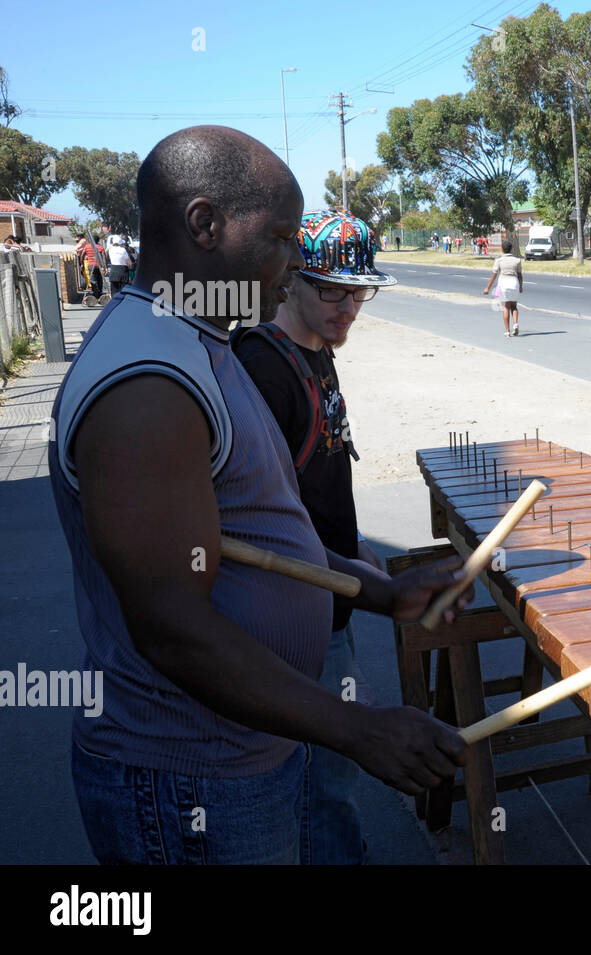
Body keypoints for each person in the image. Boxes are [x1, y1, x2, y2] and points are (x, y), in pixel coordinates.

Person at [48, 126, 470, 865]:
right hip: (187, 785)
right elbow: (172, 627)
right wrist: (358, 729)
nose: (294, 263)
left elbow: (255, 541)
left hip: (233, 760)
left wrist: (381, 590)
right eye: (279, 237)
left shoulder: (197, 337)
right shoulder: (147, 381)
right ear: (204, 223)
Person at [232, 208, 395, 864]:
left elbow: (320, 476)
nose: (349, 306)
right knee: (324, 778)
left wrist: (356, 551)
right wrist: (361, 581)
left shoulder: (318, 349)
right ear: (290, 278)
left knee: (330, 776)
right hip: (295, 613)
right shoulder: (262, 367)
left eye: (359, 291)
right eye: (332, 289)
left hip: (334, 595)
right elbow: (254, 519)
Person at [483, 238, 524, 337]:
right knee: (514, 306)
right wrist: (521, 286)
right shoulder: (517, 260)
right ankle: (515, 324)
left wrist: (487, 288)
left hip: (504, 283)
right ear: (511, 249)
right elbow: (520, 275)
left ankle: (507, 331)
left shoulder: (499, 260)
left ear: (502, 249)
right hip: (514, 283)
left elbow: (494, 275)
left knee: (506, 307)